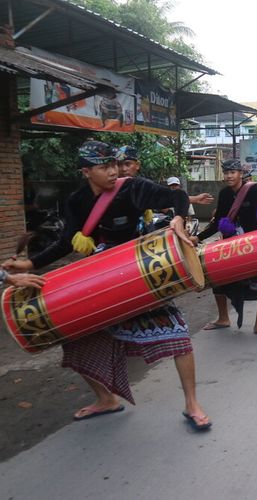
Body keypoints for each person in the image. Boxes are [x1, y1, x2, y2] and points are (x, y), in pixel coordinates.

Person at [2, 141, 211, 430]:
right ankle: (106, 399)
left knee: (178, 335)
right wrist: (30, 265)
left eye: (115, 164)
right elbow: (66, 242)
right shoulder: (77, 201)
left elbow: (177, 198)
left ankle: (192, 403)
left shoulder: (133, 188)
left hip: (141, 272)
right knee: (74, 339)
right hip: (100, 278)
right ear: (86, 171)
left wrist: (177, 218)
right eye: (104, 167)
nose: (114, 171)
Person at [196, 159, 257, 335]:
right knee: (218, 278)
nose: (228, 176)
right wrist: (198, 237)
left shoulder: (255, 190)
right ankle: (223, 318)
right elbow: (218, 222)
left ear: (240, 174)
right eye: (226, 173)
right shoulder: (224, 194)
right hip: (231, 245)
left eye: (232, 172)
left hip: (255, 244)